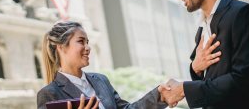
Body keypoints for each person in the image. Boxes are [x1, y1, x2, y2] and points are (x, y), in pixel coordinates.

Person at [158, 0, 249, 108]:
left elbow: (245, 80)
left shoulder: (243, 14)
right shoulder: (201, 31)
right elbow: (211, 82)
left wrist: (184, 89)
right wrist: (195, 69)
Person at [37, 21, 168, 109]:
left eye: (87, 42)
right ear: (61, 48)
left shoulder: (101, 80)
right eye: (81, 41)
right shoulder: (49, 94)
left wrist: (159, 95)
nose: (88, 47)